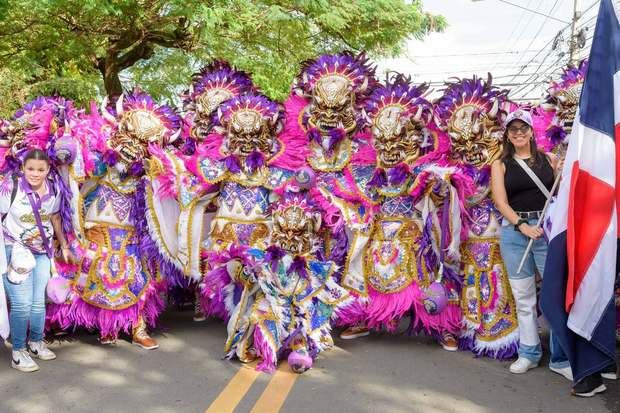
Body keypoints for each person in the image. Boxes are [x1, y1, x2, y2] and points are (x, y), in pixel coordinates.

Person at [490, 109, 572, 379]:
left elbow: (560, 194)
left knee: (555, 295)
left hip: (548, 229)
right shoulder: (500, 164)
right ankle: (529, 353)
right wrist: (521, 225)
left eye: (523, 128)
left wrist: (563, 173)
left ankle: (561, 358)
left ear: (530, 131)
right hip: (516, 233)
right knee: (524, 298)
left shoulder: (548, 160)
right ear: (507, 135)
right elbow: (501, 202)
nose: (518, 133)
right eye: (513, 129)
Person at [1, 149, 72, 372]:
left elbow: (55, 217)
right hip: (15, 251)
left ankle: (36, 342)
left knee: (38, 302)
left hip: (42, 251)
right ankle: (18, 352)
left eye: (40, 170)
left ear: (48, 169)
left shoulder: (53, 188)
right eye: (30, 169)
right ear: (22, 168)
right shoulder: (9, 188)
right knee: (21, 305)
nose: (35, 174)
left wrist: (65, 245)